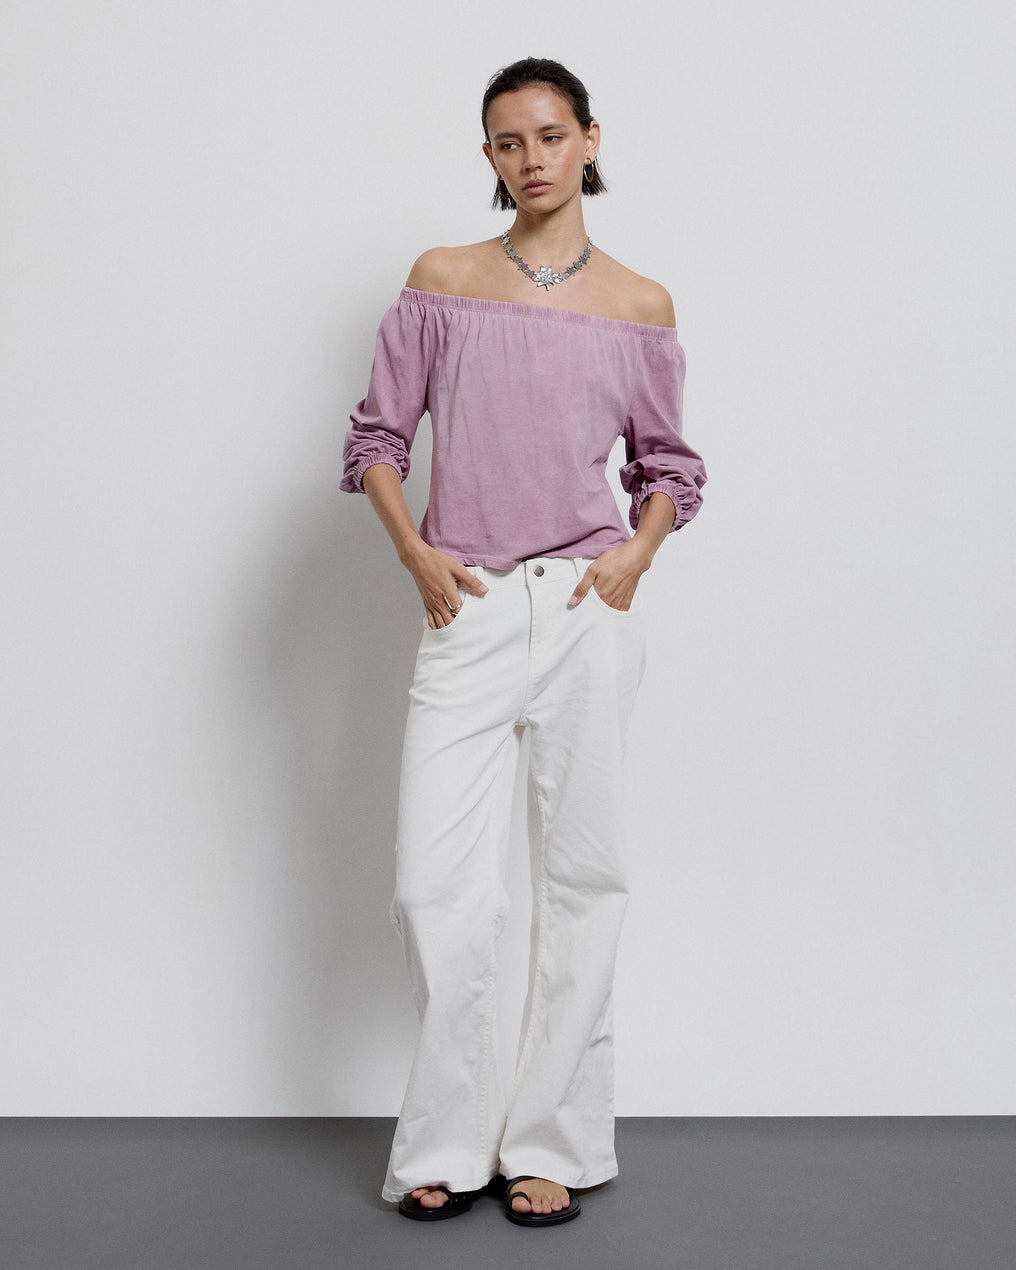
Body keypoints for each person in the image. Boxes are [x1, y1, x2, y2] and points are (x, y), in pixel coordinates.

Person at [340, 56, 707, 1227]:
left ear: (590, 140)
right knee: (433, 889)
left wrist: (634, 556)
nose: (531, 158)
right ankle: (445, 1138)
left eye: (550, 135)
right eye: (507, 141)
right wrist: (415, 553)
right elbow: (377, 438)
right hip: (469, 606)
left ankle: (553, 1141)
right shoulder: (442, 281)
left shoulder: (638, 303)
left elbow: (667, 466)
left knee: (582, 880)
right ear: (488, 156)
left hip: (583, 608)